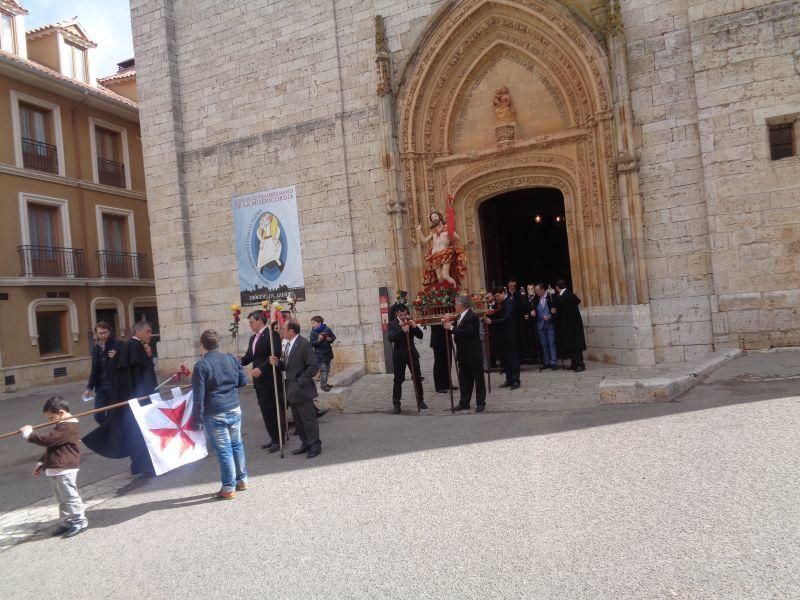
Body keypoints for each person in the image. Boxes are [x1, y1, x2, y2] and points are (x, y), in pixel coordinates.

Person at [83, 320, 158, 476]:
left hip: (129, 399)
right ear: (138, 331)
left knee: (135, 432)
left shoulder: (126, 346)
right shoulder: (134, 347)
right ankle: (145, 467)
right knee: (139, 433)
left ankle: (139, 466)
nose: (150, 335)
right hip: (136, 399)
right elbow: (142, 376)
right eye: (148, 331)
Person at [19, 396, 87, 538]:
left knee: (69, 496)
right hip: (55, 467)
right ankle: (68, 522)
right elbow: (52, 447)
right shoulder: (61, 426)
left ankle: (79, 521)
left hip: (65, 468)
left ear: (61, 413)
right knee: (61, 498)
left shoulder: (69, 427)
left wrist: (29, 434)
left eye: (51, 418)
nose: (50, 421)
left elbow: (47, 440)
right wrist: (41, 463)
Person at [191, 330, 248, 500]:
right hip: (234, 407)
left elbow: (198, 397)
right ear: (218, 343)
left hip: (215, 411)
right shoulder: (231, 359)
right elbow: (243, 381)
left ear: (203, 346)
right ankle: (242, 480)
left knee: (224, 451)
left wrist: (197, 421)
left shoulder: (201, 366)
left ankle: (229, 487)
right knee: (237, 445)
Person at [269, 320, 322, 458]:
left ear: (291, 331)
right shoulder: (287, 345)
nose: (281, 331)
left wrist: (300, 381)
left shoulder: (303, 344)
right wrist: (278, 363)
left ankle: (315, 445)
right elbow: (288, 366)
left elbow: (313, 366)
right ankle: (305, 443)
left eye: (283, 329)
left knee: (308, 419)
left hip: (302, 389)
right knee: (298, 421)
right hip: (291, 389)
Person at [240, 310, 284, 452]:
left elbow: (275, 354)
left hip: (269, 378)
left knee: (271, 408)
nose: (250, 325)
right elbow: (249, 357)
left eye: (251, 322)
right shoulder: (253, 339)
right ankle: (273, 437)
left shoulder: (272, 335)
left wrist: (261, 368)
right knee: (264, 409)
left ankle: (279, 439)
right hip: (258, 381)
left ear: (260, 321)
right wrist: (238, 360)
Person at [444, 296, 486, 412]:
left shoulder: (472, 316)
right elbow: (455, 331)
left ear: (462, 305)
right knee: (464, 380)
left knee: (478, 378)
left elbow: (467, 333)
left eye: (456, 304)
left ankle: (480, 402)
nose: (455, 306)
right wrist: (448, 323)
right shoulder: (459, 317)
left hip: (473, 353)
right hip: (463, 353)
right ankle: (464, 402)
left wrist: (451, 327)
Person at [387, 304, 427, 413]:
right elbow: (391, 338)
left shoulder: (410, 320)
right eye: (401, 314)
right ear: (397, 314)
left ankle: (420, 400)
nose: (404, 316)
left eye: (405, 314)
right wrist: (402, 331)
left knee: (417, 377)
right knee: (398, 380)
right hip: (399, 355)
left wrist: (414, 327)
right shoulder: (392, 324)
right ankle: (396, 403)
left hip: (411, 353)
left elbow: (420, 335)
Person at [83, 321, 124, 424]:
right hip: (101, 387)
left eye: (105, 332)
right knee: (98, 416)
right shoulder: (96, 348)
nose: (103, 335)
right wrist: (89, 388)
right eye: (100, 333)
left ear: (109, 331)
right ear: (96, 334)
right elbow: (94, 369)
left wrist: (118, 355)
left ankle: (112, 434)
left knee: (112, 415)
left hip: (114, 385)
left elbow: (126, 362)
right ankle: (110, 430)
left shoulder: (118, 344)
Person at [416, 208, 466, 287]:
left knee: (445, 275)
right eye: (432, 218)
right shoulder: (433, 231)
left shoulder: (447, 228)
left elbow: (458, 238)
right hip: (434, 256)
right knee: (440, 278)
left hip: (445, 254)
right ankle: (445, 295)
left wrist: (451, 233)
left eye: (435, 216)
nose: (434, 219)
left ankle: (456, 291)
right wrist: (419, 230)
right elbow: (425, 241)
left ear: (439, 217)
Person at [483, 287, 521, 389]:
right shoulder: (499, 304)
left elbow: (506, 319)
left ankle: (516, 380)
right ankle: (509, 379)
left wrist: (492, 322)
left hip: (510, 335)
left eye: (498, 296)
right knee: (505, 359)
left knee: (513, 358)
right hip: (502, 336)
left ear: (503, 293)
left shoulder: (509, 302)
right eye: (495, 296)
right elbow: (496, 313)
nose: (497, 298)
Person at [551, 280, 587, 372]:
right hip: (569, 324)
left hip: (572, 324)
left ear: (557, 287)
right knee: (571, 344)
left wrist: (554, 310)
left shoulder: (565, 296)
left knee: (576, 345)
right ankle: (574, 363)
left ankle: (580, 364)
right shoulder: (566, 295)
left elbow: (561, 306)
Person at [532, 283, 558, 370]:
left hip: (550, 324)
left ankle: (553, 362)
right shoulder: (535, 300)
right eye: (535, 291)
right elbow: (531, 309)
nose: (536, 292)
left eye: (537, 290)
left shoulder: (551, 297)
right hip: (540, 325)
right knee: (544, 345)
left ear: (543, 290)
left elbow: (556, 310)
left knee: (551, 343)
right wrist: (532, 313)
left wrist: (550, 316)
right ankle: (546, 362)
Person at [310, 316, 336, 392]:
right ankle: (323, 385)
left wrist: (330, 339)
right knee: (323, 369)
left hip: (327, 352)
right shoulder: (313, 332)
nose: (312, 325)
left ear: (319, 323)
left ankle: (325, 383)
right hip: (319, 354)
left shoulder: (326, 329)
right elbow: (312, 343)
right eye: (312, 323)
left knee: (327, 369)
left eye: (314, 323)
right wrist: (318, 340)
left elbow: (333, 337)